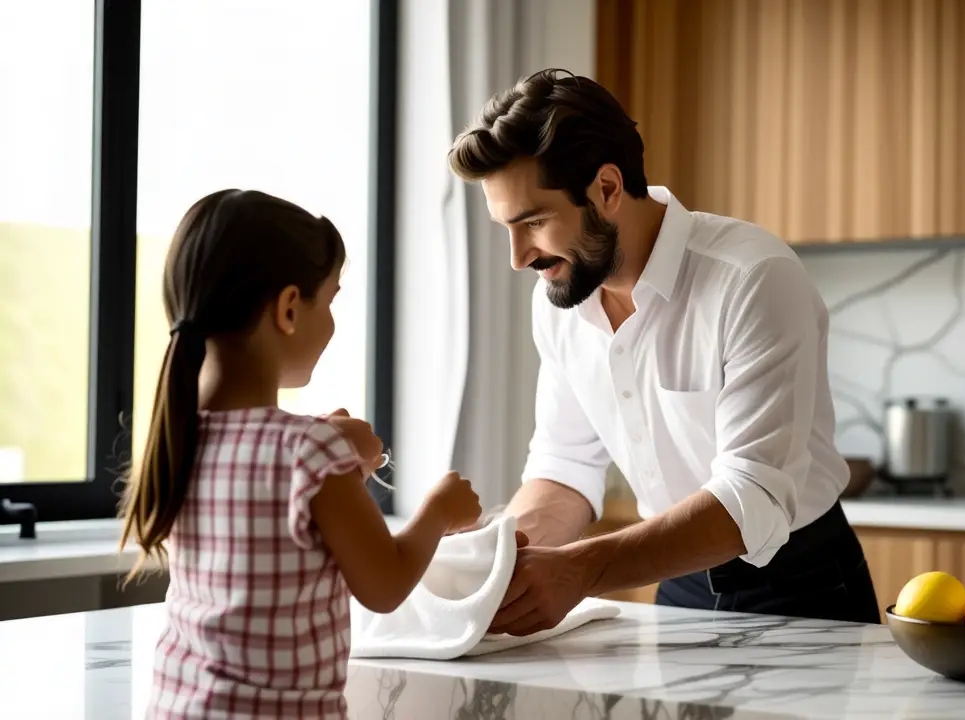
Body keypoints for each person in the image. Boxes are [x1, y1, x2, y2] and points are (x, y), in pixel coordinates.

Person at [447, 69, 881, 637]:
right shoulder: (560, 300)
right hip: (676, 580)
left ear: (607, 189)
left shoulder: (753, 278)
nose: (517, 256)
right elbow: (565, 466)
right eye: (506, 227)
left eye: (534, 221)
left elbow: (752, 495)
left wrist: (580, 570)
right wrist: (499, 554)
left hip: (801, 586)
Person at [117, 189, 483, 719]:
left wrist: (338, 454)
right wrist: (441, 510)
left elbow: (268, 503)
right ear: (289, 308)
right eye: (329, 301)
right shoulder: (309, 452)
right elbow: (384, 585)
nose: (331, 320)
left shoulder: (180, 440)